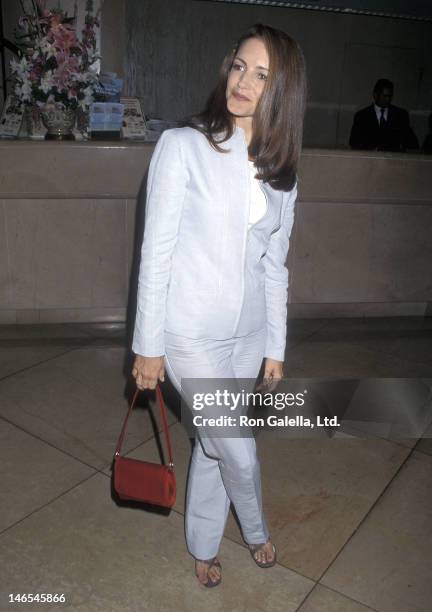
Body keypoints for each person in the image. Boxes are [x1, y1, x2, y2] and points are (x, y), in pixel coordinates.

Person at [131, 23, 306, 588]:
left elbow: (275, 267)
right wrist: (148, 346)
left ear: (282, 93)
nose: (243, 82)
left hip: (248, 336)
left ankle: (204, 544)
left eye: (261, 76)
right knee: (238, 448)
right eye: (239, 66)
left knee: (214, 443)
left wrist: (274, 347)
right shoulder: (183, 146)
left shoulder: (282, 175)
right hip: (188, 335)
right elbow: (154, 254)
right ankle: (255, 530)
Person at [349, 78, 419, 152]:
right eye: (385, 96)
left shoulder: (401, 115)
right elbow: (354, 144)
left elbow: (412, 144)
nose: (388, 99)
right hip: (369, 160)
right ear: (375, 95)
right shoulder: (362, 116)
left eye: (390, 96)